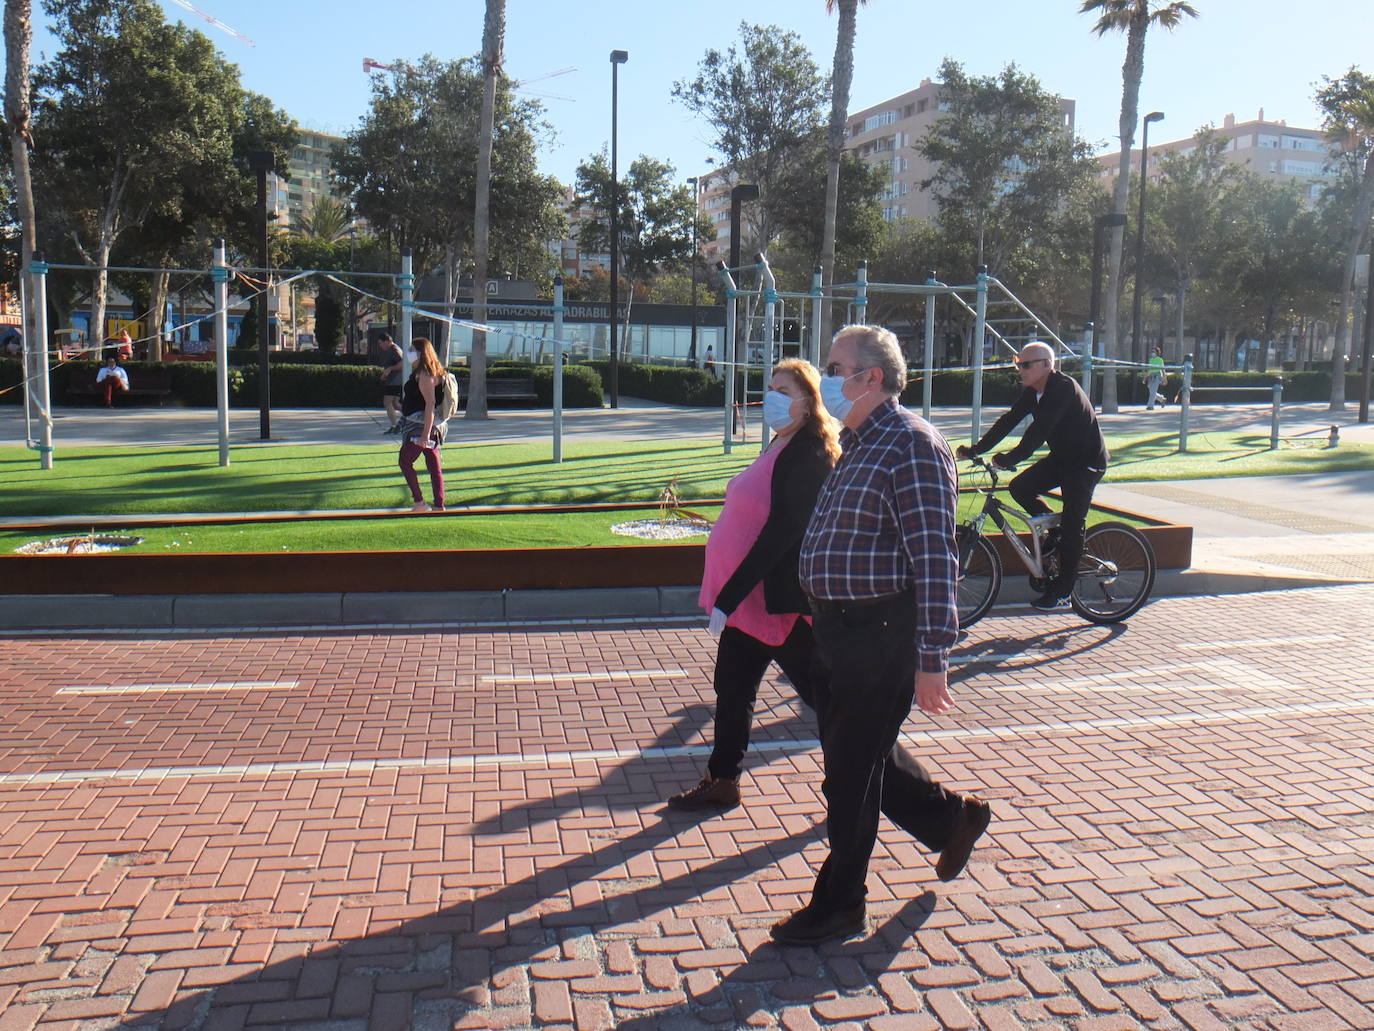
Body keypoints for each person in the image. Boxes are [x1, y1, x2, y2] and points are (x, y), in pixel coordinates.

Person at [773, 324, 990, 947]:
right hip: (838, 632)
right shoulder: (860, 440)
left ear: (872, 377)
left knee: (847, 774)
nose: (826, 377)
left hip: (881, 635)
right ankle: (953, 819)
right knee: (861, 757)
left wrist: (933, 658)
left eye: (836, 367)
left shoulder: (912, 445)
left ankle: (841, 902)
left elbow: (934, 558)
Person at [666, 358, 839, 812]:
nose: (773, 398)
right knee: (733, 688)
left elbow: (782, 531)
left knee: (829, 702)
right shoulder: (780, 444)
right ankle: (723, 779)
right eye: (771, 388)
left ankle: (889, 785)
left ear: (807, 403)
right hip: (752, 603)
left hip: (777, 603)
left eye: (784, 391)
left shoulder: (809, 453)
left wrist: (730, 593)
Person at [955, 341, 1109, 611]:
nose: (1020, 369)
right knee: (1020, 488)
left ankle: (1063, 591)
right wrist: (976, 450)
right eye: (1018, 364)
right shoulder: (1034, 392)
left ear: (1047, 365)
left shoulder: (1062, 388)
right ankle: (1055, 531)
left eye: (1025, 365)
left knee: (1074, 524)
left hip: (1086, 463)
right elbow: (1008, 420)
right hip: (1062, 459)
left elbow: (1038, 432)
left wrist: (1010, 458)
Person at [396, 337, 448, 513]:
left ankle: (419, 502)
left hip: (421, 427)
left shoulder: (425, 374)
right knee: (433, 466)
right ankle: (439, 504)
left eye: (412, 350)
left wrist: (425, 434)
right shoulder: (429, 372)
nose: (409, 353)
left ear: (420, 353)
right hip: (427, 426)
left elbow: (430, 404)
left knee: (405, 460)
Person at [377, 333, 405, 434]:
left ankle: (395, 426)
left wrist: (390, 369)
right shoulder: (391, 350)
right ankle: (410, 416)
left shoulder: (394, 349)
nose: (380, 346)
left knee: (387, 402)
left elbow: (403, 363)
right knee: (395, 404)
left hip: (396, 381)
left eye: (381, 343)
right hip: (394, 380)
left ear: (387, 341)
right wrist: (386, 373)